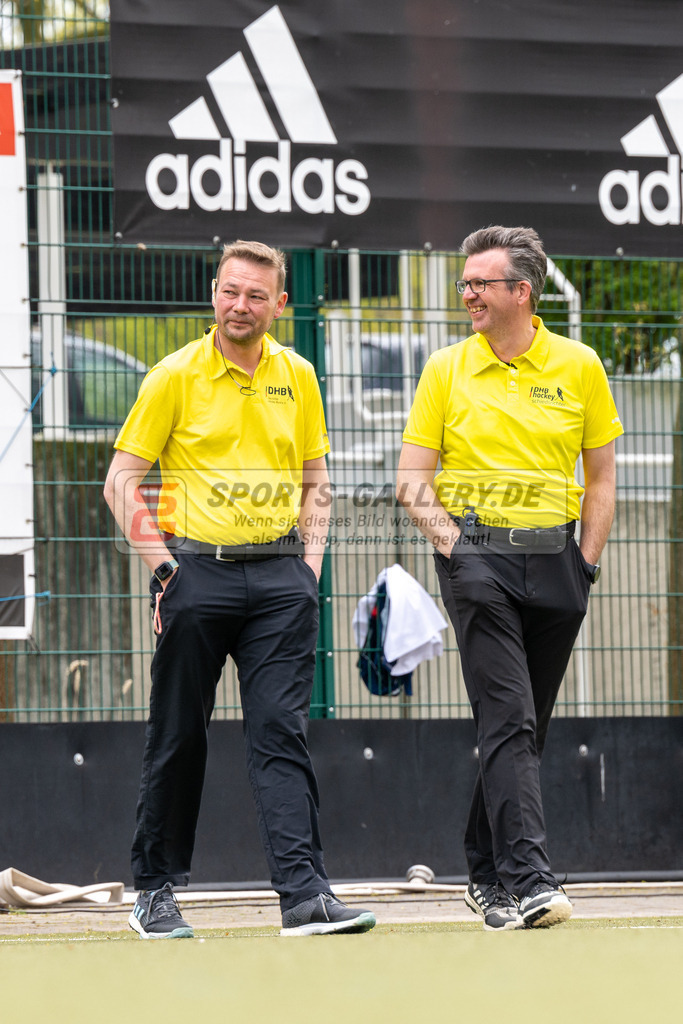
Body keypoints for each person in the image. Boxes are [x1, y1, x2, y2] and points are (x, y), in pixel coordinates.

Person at [104, 239, 376, 939]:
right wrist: (166, 568)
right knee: (177, 736)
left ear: (279, 304)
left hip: (281, 583)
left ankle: (304, 897)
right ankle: (154, 892)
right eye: (230, 291)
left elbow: (317, 484)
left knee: (281, 736)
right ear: (214, 293)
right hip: (196, 575)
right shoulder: (172, 375)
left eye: (256, 295)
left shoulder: (300, 376)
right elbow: (121, 481)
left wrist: (306, 571)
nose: (239, 306)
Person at [396, 225, 622, 931]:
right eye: (463, 283)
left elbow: (601, 476)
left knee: (523, 726)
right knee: (509, 718)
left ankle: (483, 866)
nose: (465, 294)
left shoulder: (580, 364)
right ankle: (529, 881)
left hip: (559, 563)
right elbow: (411, 482)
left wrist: (584, 561)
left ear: (521, 292)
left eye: (478, 284)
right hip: (477, 561)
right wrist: (459, 554)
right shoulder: (445, 368)